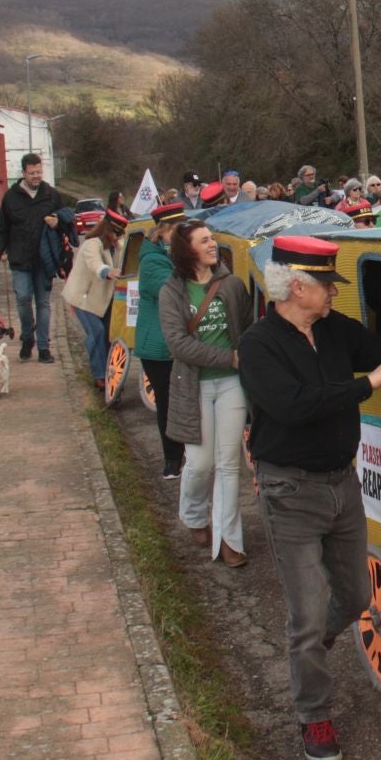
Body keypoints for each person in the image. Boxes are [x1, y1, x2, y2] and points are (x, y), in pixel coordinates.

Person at [239, 236, 381, 760]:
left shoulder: (334, 330)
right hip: (290, 491)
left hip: (342, 484)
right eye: (326, 284)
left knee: (357, 597)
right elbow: (293, 406)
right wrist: (366, 386)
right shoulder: (259, 344)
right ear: (296, 287)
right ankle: (314, 716)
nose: (334, 293)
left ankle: (310, 649)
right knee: (306, 614)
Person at [161, 220, 253, 568]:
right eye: (205, 241)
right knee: (200, 463)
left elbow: (245, 331)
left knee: (229, 463)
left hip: (231, 384)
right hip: (192, 386)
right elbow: (178, 344)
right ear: (188, 250)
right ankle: (194, 514)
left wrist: (242, 359)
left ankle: (229, 540)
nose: (213, 244)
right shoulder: (173, 292)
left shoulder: (231, 285)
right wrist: (228, 356)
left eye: (213, 239)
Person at [0, 152, 67, 362]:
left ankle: (43, 348)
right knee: (23, 299)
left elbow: (67, 218)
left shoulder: (51, 194)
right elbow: (3, 230)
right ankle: (27, 336)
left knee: (43, 303)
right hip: (20, 259)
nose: (36, 176)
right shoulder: (11, 197)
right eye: (32, 173)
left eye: (39, 172)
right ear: (23, 172)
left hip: (44, 260)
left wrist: (57, 221)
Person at [137, 201, 187, 480]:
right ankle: (171, 459)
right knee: (167, 403)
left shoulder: (172, 255)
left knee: (183, 401)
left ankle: (183, 453)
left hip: (175, 342)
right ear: (164, 232)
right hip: (158, 346)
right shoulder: (152, 260)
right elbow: (173, 290)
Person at [63, 206, 125, 383]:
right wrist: (107, 271)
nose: (117, 237)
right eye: (115, 233)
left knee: (108, 334)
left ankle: (108, 371)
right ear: (107, 230)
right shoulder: (92, 244)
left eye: (120, 234)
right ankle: (99, 375)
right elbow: (94, 264)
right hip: (83, 297)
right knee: (96, 332)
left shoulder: (117, 246)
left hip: (103, 299)